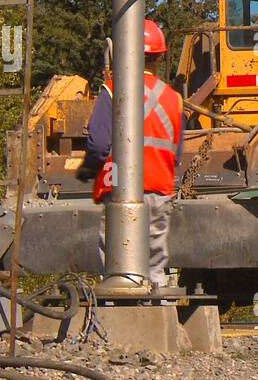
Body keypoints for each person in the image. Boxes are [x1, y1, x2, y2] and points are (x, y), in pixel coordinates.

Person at [77, 19, 185, 292]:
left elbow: (100, 144)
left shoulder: (113, 89)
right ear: (159, 57)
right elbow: (177, 152)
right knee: (155, 264)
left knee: (118, 267)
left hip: (121, 188)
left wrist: (88, 169)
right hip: (160, 188)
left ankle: (118, 319)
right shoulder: (173, 98)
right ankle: (159, 315)